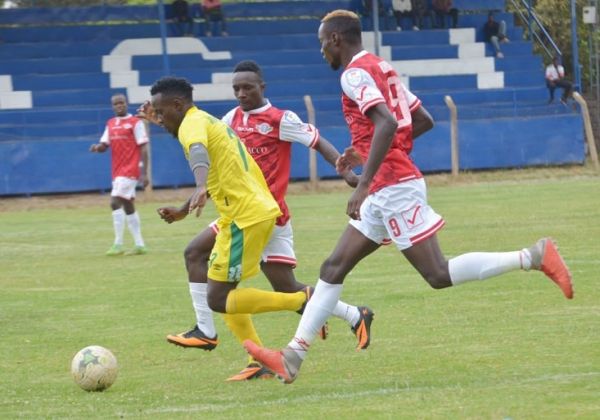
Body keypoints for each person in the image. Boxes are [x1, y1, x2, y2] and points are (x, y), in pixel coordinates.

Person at [244, 9, 574, 384]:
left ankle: (533, 256)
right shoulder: (383, 69)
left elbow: (385, 122)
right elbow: (421, 121)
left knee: (437, 273)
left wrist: (365, 181)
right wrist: (366, 153)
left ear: (336, 39)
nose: (322, 52)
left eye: (323, 43)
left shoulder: (354, 74)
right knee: (332, 268)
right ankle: (292, 357)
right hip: (387, 185)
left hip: (392, 188)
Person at [152, 61, 373, 381]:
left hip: (262, 213)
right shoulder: (226, 119)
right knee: (198, 257)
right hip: (242, 211)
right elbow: (212, 164)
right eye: (236, 89)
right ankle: (244, 346)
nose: (241, 94)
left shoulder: (279, 119)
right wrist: (188, 206)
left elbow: (199, 152)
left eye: (248, 87)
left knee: (237, 291)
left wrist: (348, 174)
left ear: (262, 87)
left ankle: (310, 304)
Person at [89, 94, 149, 256]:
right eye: (116, 104)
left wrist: (144, 173)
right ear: (113, 106)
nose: (119, 106)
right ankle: (140, 245)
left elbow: (143, 147)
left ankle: (118, 244)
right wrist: (97, 147)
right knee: (128, 205)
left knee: (115, 202)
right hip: (117, 171)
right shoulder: (111, 124)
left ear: (126, 104)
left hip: (130, 170)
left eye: (121, 103)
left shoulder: (135, 123)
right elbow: (104, 145)